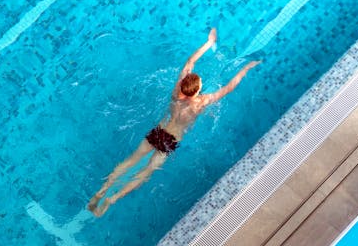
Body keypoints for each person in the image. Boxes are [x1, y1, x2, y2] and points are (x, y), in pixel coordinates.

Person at [88, 28, 260, 217]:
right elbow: (229, 88)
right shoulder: (200, 103)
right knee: (146, 172)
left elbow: (190, 62)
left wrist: (208, 43)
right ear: (196, 91)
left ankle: (102, 190)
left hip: (159, 131)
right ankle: (113, 199)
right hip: (171, 140)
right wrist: (245, 69)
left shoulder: (177, 90)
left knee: (131, 160)